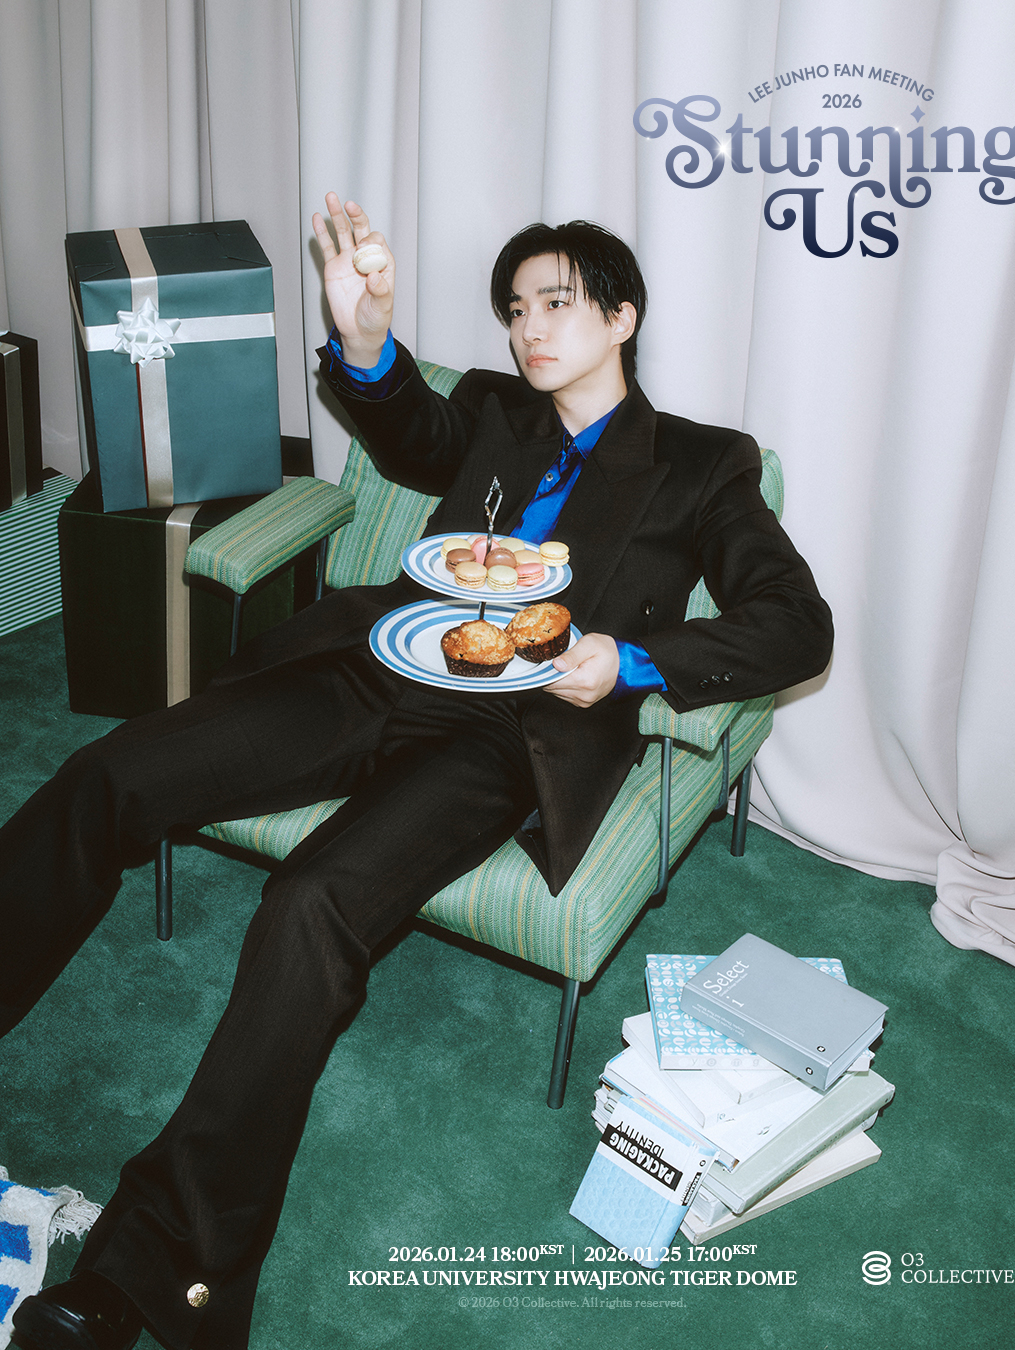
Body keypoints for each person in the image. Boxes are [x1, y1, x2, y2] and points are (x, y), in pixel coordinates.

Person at [4, 194, 832, 1350]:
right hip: (374, 667)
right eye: (515, 309)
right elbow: (409, 436)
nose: (529, 328)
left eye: (556, 304)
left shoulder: (699, 462)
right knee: (112, 771)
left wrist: (630, 661)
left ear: (622, 317)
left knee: (310, 909)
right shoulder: (497, 410)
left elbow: (796, 624)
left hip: (507, 734)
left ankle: (150, 1274)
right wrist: (364, 332)